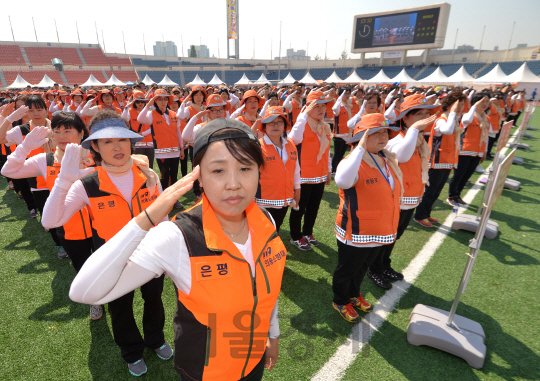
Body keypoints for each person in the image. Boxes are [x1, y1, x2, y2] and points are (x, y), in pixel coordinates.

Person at [69, 118, 285, 380]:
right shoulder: (177, 236)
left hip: (253, 362)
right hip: (204, 372)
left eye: (245, 168)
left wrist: (272, 335)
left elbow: (267, 289)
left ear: (259, 172)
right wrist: (149, 216)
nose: (233, 183)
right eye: (218, 171)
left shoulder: (266, 221)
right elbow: (84, 292)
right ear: (199, 177)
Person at [41, 110, 172, 376]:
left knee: (154, 300)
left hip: (151, 255)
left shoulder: (148, 174)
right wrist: (64, 180)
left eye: (122, 139)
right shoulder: (86, 184)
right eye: (107, 141)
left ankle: (156, 339)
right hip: (112, 259)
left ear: (131, 143)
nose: (117, 146)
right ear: (96, 147)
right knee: (120, 307)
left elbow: (163, 215)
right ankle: (132, 351)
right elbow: (50, 221)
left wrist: (168, 252)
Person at [1, 113, 102, 318]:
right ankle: (95, 300)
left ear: (81, 133)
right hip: (68, 227)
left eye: (67, 130)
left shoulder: (97, 156)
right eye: (57, 131)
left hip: (102, 224)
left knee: (104, 264)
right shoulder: (45, 160)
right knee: (82, 266)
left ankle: (109, 294)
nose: (61, 136)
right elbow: (8, 170)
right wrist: (25, 146)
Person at [332, 113, 402, 323]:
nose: (382, 136)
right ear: (362, 137)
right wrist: (360, 146)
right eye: (375, 133)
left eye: (384, 132)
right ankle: (341, 299)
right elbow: (343, 180)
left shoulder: (384, 157)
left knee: (362, 267)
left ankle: (354, 294)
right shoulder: (352, 161)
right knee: (347, 269)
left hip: (379, 229)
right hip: (356, 229)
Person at [367, 95, 438, 289]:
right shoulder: (397, 139)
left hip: (411, 197)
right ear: (405, 118)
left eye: (426, 113)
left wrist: (416, 131)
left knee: (394, 236)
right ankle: (374, 268)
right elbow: (403, 157)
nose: (425, 117)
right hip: (395, 199)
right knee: (385, 236)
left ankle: (383, 264)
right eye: (418, 114)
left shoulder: (418, 139)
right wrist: (415, 130)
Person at [0, 95, 64, 252]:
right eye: (32, 110)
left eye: (40, 109)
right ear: (26, 113)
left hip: (62, 178)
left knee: (68, 214)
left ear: (46, 109)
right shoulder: (22, 130)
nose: (36, 114)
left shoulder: (57, 125)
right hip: (38, 182)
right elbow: (1, 139)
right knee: (49, 217)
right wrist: (8, 119)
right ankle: (59, 245)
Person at [287, 91, 332, 251]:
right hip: (304, 175)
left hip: (319, 175)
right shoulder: (302, 124)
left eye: (323, 106)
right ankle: (295, 236)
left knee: (314, 207)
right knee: (299, 207)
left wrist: (328, 170)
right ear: (307, 108)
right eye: (316, 106)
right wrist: (303, 116)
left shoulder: (324, 126)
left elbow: (327, 152)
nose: (321, 110)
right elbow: (294, 139)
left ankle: (307, 232)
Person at [414, 91, 466, 226]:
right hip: (436, 161)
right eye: (457, 104)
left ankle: (426, 213)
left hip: (447, 161)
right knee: (429, 191)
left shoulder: (453, 120)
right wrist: (453, 113)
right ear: (448, 105)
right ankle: (419, 215)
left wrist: (454, 115)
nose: (460, 107)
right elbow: (447, 131)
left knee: (436, 192)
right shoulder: (442, 119)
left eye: (462, 104)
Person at [255, 106, 300, 232]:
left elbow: (295, 170)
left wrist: (297, 189)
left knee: (276, 229)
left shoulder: (290, 144)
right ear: (264, 127)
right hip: (263, 201)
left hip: (284, 199)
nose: (276, 125)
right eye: (271, 123)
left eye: (279, 122)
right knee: (261, 232)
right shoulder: (257, 146)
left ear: (285, 125)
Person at [137, 89, 185, 209]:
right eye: (159, 99)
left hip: (175, 151)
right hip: (161, 152)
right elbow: (140, 119)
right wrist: (148, 104)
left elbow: (178, 132)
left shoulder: (174, 114)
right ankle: (165, 200)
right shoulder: (151, 114)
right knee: (164, 176)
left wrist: (182, 149)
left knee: (174, 177)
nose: (163, 101)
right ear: (155, 101)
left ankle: (174, 199)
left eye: (165, 99)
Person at [182, 93, 229, 202]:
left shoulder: (229, 125)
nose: (219, 113)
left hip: (226, 167)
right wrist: (196, 117)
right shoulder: (201, 127)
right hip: (209, 168)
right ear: (208, 111)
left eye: (221, 109)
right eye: (215, 110)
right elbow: (185, 137)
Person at [447, 93, 490, 206]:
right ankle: (451, 196)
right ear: (475, 103)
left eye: (487, 101)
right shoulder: (469, 116)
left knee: (466, 176)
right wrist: (474, 107)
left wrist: (484, 151)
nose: (485, 104)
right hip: (465, 150)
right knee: (458, 175)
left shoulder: (486, 118)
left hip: (477, 152)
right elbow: (466, 121)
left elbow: (487, 136)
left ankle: (457, 195)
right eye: (482, 101)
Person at [121, 90, 154, 165]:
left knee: (149, 165)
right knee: (138, 165)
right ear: (134, 102)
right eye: (138, 101)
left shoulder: (149, 111)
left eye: (142, 102)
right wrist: (126, 107)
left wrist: (143, 133)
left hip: (150, 143)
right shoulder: (129, 111)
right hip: (137, 143)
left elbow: (153, 126)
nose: (140, 103)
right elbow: (124, 119)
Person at [331, 87, 353, 173]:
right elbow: (334, 108)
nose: (347, 95)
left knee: (342, 154)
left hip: (347, 133)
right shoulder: (339, 106)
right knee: (337, 154)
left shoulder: (348, 105)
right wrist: (339, 98)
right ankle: (333, 170)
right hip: (339, 134)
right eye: (345, 93)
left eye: (348, 93)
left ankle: (338, 169)